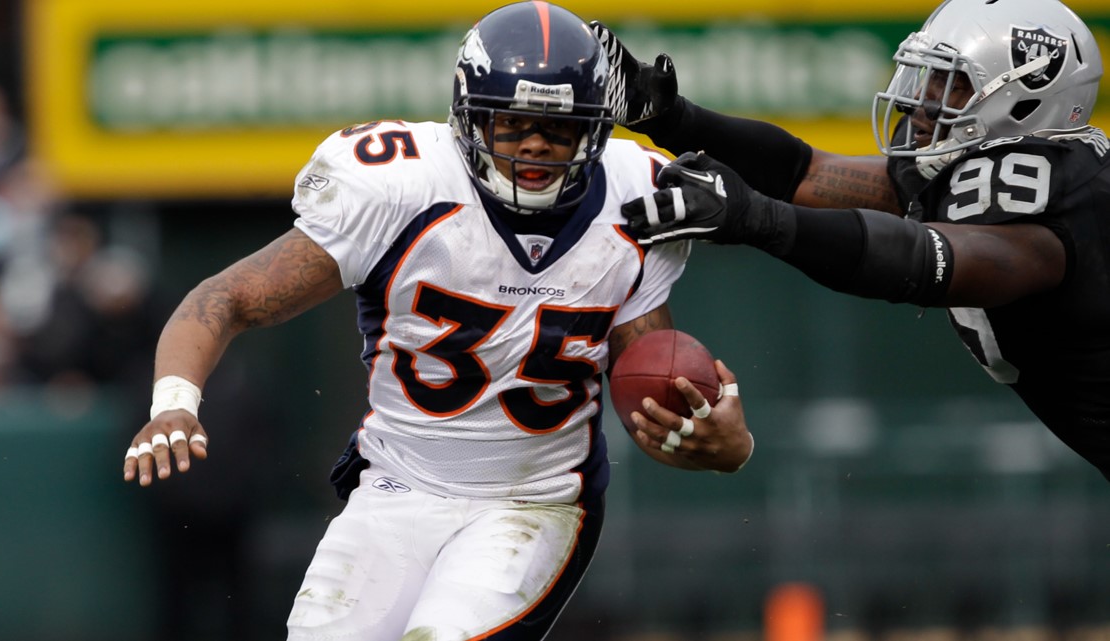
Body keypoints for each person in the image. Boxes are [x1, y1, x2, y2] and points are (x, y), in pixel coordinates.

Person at [122, 3, 754, 640]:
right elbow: (223, 298)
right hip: (395, 490)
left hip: (533, 504)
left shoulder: (637, 198)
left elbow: (653, 396)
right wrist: (174, 402)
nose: (535, 144)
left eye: (558, 129)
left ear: (593, 130)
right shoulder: (400, 186)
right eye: (513, 123)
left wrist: (724, 444)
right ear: (471, 119)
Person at [590, 0, 1110, 481]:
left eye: (950, 84)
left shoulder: (1048, 193)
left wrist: (759, 220)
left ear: (1025, 101)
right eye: (928, 75)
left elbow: (930, 260)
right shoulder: (979, 173)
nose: (922, 101)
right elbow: (805, 171)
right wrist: (671, 118)